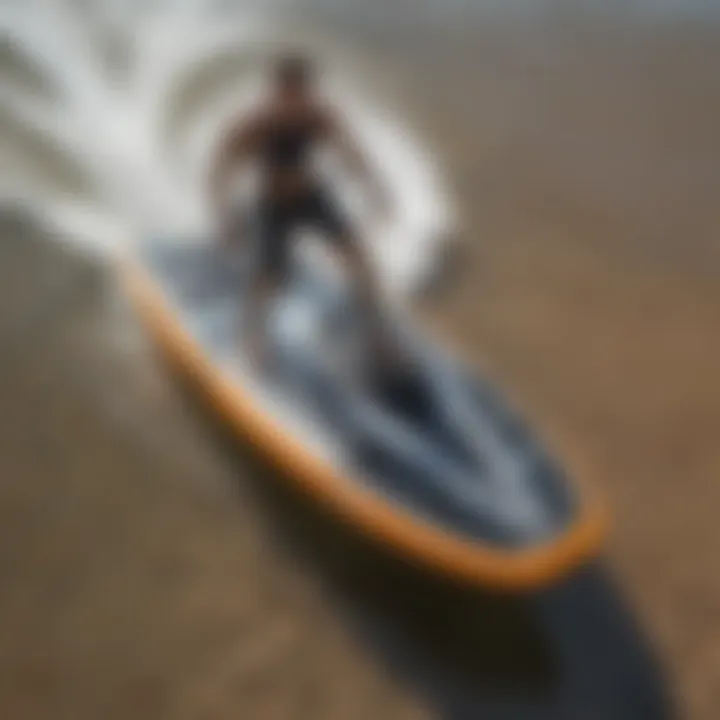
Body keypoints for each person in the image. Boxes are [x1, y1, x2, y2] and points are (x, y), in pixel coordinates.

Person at [208, 52, 391, 373]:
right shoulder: (258, 124)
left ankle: (377, 335)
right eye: (289, 93)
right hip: (274, 207)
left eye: (303, 92)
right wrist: (226, 216)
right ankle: (252, 338)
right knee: (270, 277)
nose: (296, 101)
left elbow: (351, 153)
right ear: (277, 91)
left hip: (312, 197)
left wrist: (376, 191)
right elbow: (222, 167)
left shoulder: (318, 117)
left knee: (358, 257)